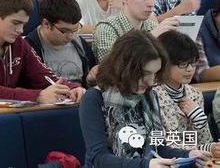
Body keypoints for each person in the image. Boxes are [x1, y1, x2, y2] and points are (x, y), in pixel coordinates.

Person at [79, 30, 209, 166]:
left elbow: (157, 146)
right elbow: (99, 158)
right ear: (124, 68)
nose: (151, 82)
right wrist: (146, 165)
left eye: (154, 73)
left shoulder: (149, 96)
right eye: (145, 73)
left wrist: (187, 155)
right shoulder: (94, 98)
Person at [92, 0, 179, 61]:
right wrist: (150, 38)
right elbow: (112, 68)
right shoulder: (107, 29)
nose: (151, 3)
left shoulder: (153, 26)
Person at [154, 30, 217, 153]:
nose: (190, 69)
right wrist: (201, 149)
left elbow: (205, 142)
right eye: (182, 64)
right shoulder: (153, 94)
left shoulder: (195, 94)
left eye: (193, 63)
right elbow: (161, 145)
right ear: (164, 63)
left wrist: (199, 119)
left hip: (194, 159)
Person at [25, 0, 96, 86]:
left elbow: (88, 81)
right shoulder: (28, 48)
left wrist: (91, 79)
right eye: (64, 31)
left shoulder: (80, 44)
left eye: (75, 30)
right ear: (46, 24)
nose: (70, 36)